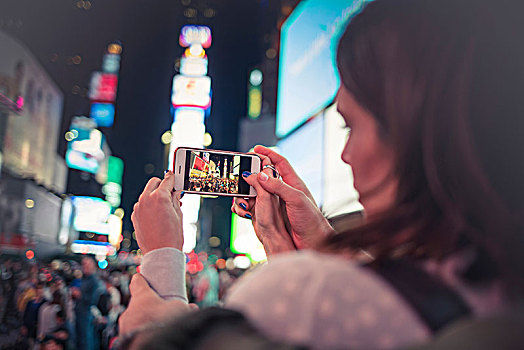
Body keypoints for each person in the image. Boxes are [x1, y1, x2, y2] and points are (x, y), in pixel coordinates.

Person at [119, 0, 524, 349]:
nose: (345, 155)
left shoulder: (303, 298)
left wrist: (161, 264)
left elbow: (156, 333)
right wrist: (307, 244)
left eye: (349, 125)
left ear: (416, 130)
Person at [74, 257, 102, 350]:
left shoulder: (93, 281)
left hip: (86, 314)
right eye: (83, 264)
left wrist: (79, 295)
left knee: (86, 341)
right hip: (80, 313)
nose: (83, 266)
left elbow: (92, 300)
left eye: (86, 264)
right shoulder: (84, 279)